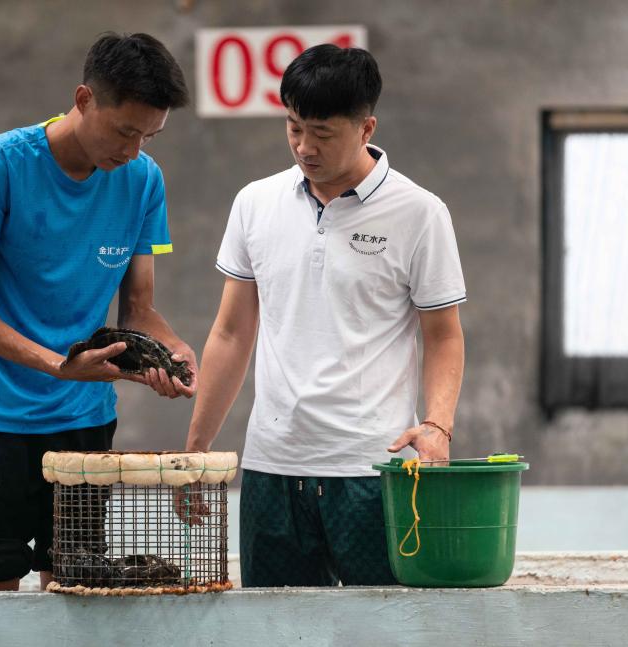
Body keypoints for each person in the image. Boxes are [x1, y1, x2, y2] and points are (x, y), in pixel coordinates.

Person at [181, 44, 466, 587]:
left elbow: (444, 335)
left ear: (366, 127)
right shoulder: (254, 203)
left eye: (322, 133)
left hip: (370, 470)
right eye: (292, 128)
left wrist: (437, 427)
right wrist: (196, 452)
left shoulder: (420, 213)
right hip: (272, 467)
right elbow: (232, 332)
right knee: (273, 631)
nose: (304, 147)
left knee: (379, 628)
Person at [0, 32, 196, 592]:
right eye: (125, 131)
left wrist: (172, 349)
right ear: (84, 100)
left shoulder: (143, 180)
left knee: (75, 589)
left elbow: (139, 309)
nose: (132, 151)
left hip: (84, 423)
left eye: (148, 136)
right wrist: (59, 364)